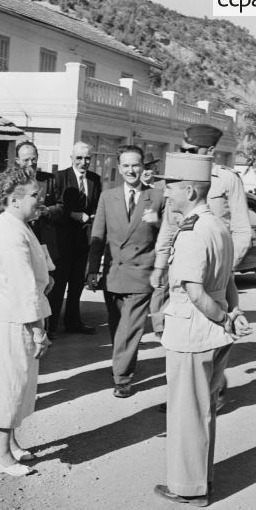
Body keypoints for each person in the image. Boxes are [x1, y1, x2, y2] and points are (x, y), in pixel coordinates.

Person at [152, 152, 252, 506]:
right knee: (203, 411)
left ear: (191, 191)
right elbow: (228, 283)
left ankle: (188, 488)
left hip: (193, 334)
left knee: (187, 415)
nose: (166, 193)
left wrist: (225, 317)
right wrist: (232, 313)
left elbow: (194, 292)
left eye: (171, 187)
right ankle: (200, 480)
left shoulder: (194, 231)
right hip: (212, 333)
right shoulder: (218, 226)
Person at [151, 124, 251, 411]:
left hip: (215, 269)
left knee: (213, 332)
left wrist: (223, 268)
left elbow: (243, 230)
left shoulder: (227, 179)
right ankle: (183, 396)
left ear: (209, 151)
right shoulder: (182, 176)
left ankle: (211, 393)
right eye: (183, 150)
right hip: (183, 264)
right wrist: (160, 264)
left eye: (191, 151)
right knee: (174, 328)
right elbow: (171, 224)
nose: (185, 154)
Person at [0, 166, 54, 476]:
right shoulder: (9, 231)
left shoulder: (18, 224)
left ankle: (12, 444)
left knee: (18, 385)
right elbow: (22, 287)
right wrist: (38, 331)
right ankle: (0, 454)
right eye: (35, 195)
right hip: (14, 322)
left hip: (13, 318)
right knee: (9, 386)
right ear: (14, 199)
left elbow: (30, 274)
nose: (40, 200)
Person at [87, 145, 164, 398]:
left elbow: (170, 236)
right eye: (126, 165)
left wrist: (159, 222)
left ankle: (123, 378)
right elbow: (98, 236)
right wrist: (92, 270)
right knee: (118, 327)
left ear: (143, 167)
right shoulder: (108, 197)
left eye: (136, 165)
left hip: (141, 274)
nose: (132, 170)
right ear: (119, 168)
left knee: (130, 329)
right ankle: (122, 363)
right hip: (113, 274)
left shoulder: (157, 197)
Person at [48, 141, 102, 336]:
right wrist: (74, 215)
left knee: (77, 284)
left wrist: (95, 217)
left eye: (87, 158)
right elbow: (55, 206)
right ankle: (51, 327)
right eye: (79, 158)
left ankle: (73, 322)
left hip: (83, 241)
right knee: (58, 285)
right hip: (62, 240)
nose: (83, 162)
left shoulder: (95, 179)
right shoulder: (60, 177)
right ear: (71, 158)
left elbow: (96, 206)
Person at [14, 141, 63, 269]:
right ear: (17, 160)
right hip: (22, 240)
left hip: (45, 241)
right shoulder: (12, 183)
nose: (31, 164)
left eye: (33, 159)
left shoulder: (50, 180)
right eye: (26, 160)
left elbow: (61, 207)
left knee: (48, 283)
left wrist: (47, 210)